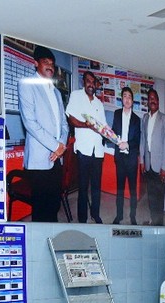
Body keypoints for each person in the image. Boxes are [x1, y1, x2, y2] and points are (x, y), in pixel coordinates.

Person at [17, 46, 68, 222]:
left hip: (57, 158)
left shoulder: (57, 92)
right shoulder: (27, 85)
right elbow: (30, 123)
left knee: (54, 205)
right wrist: (56, 146)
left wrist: (61, 146)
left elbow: (64, 124)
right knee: (41, 209)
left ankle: (51, 236)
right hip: (39, 160)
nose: (50, 67)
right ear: (35, 63)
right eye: (45, 62)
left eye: (52, 64)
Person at [66, 70, 108, 223]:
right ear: (83, 82)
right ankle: (82, 219)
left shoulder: (99, 103)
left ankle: (95, 214)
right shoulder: (76, 96)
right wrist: (86, 125)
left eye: (93, 82)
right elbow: (71, 118)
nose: (91, 84)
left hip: (98, 151)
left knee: (96, 187)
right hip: (84, 150)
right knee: (83, 187)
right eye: (88, 81)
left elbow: (103, 126)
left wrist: (114, 138)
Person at [140, 88, 165, 225]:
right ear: (147, 102)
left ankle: (159, 225)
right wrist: (142, 162)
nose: (152, 101)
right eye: (150, 98)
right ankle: (153, 221)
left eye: (155, 98)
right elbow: (142, 140)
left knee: (159, 197)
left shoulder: (164, 119)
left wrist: (164, 168)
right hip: (148, 165)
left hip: (160, 167)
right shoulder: (145, 118)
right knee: (151, 196)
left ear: (158, 101)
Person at [111, 87, 141, 224]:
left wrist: (127, 144)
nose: (127, 99)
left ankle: (133, 216)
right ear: (121, 99)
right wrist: (110, 136)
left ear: (132, 101)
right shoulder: (117, 114)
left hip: (131, 159)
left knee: (133, 190)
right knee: (120, 189)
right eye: (125, 96)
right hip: (120, 158)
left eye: (129, 97)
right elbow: (113, 132)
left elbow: (137, 140)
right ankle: (119, 216)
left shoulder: (136, 119)